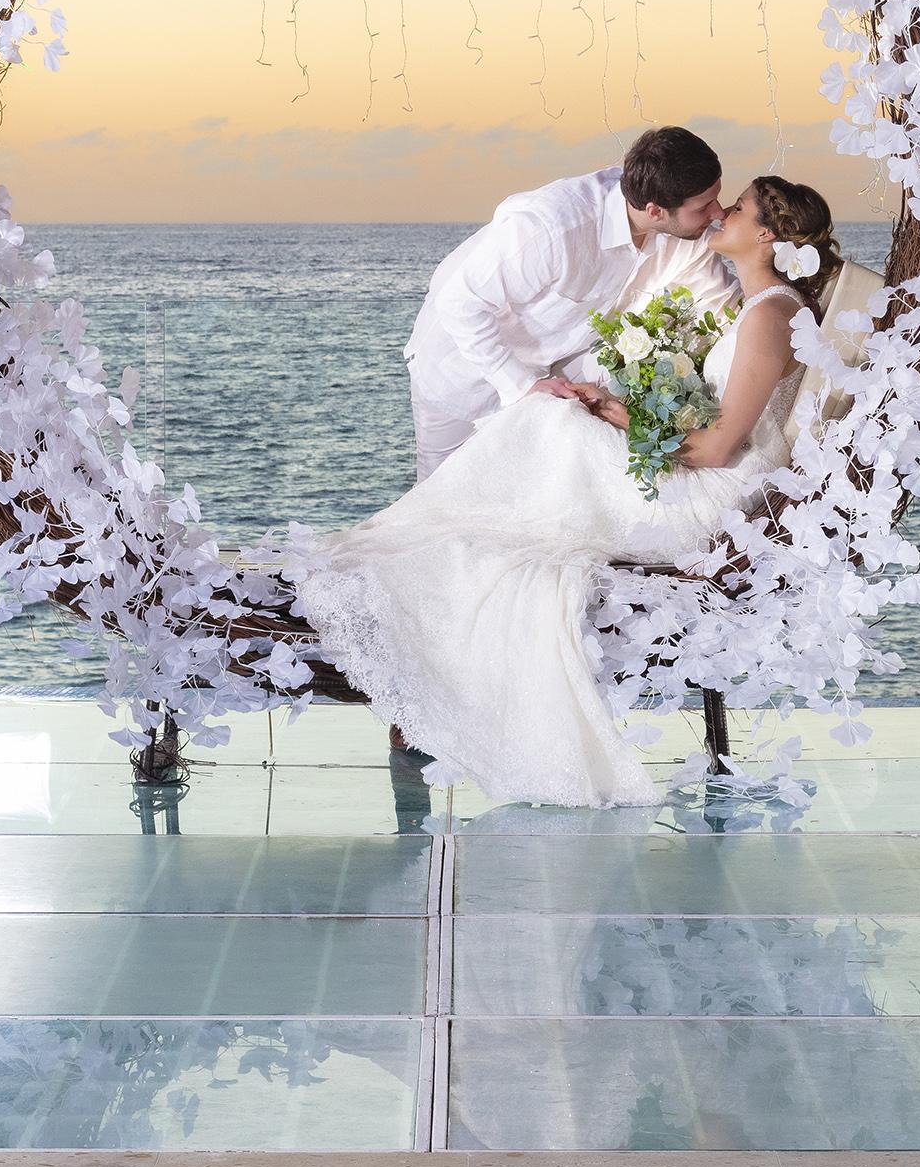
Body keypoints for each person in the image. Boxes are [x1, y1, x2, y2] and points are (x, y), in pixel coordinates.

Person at [299, 176, 844, 808]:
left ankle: (426, 554)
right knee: (552, 417)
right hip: (692, 467)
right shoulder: (760, 306)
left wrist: (619, 418)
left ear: (768, 236)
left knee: (549, 421)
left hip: (706, 493)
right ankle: (436, 546)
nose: (721, 213)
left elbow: (721, 449)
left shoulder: (771, 314)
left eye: (738, 208)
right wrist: (616, 405)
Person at [402, 127, 731, 482]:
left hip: (554, 371)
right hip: (460, 372)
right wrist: (523, 387)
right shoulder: (553, 226)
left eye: (717, 197)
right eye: (703, 207)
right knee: (436, 494)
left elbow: (727, 306)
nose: (718, 213)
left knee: (519, 492)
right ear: (654, 210)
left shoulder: (684, 234)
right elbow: (459, 303)